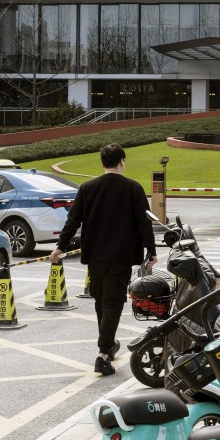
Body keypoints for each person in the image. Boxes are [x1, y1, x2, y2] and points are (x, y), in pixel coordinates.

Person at [50, 144, 157, 376]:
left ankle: (107, 346)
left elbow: (73, 220)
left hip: (95, 258)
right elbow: (144, 223)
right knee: (113, 303)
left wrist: (60, 247)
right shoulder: (133, 188)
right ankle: (104, 353)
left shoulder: (88, 188)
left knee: (101, 302)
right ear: (122, 161)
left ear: (102, 163)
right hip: (121, 257)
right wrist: (152, 251)